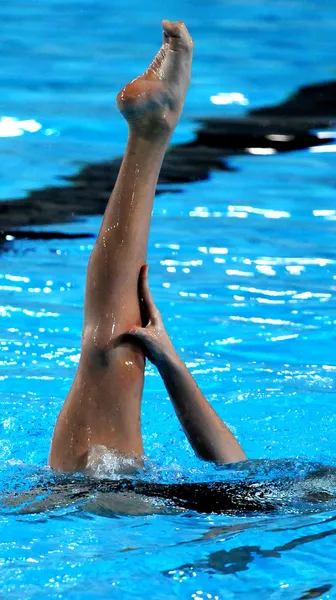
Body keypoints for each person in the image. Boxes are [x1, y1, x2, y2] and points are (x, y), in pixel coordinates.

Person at [48, 20, 247, 472]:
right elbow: (246, 483)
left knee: (107, 345)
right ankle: (151, 133)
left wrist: (171, 364)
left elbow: (246, 480)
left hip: (129, 504)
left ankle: (151, 134)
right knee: (109, 346)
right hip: (136, 506)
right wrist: (168, 360)